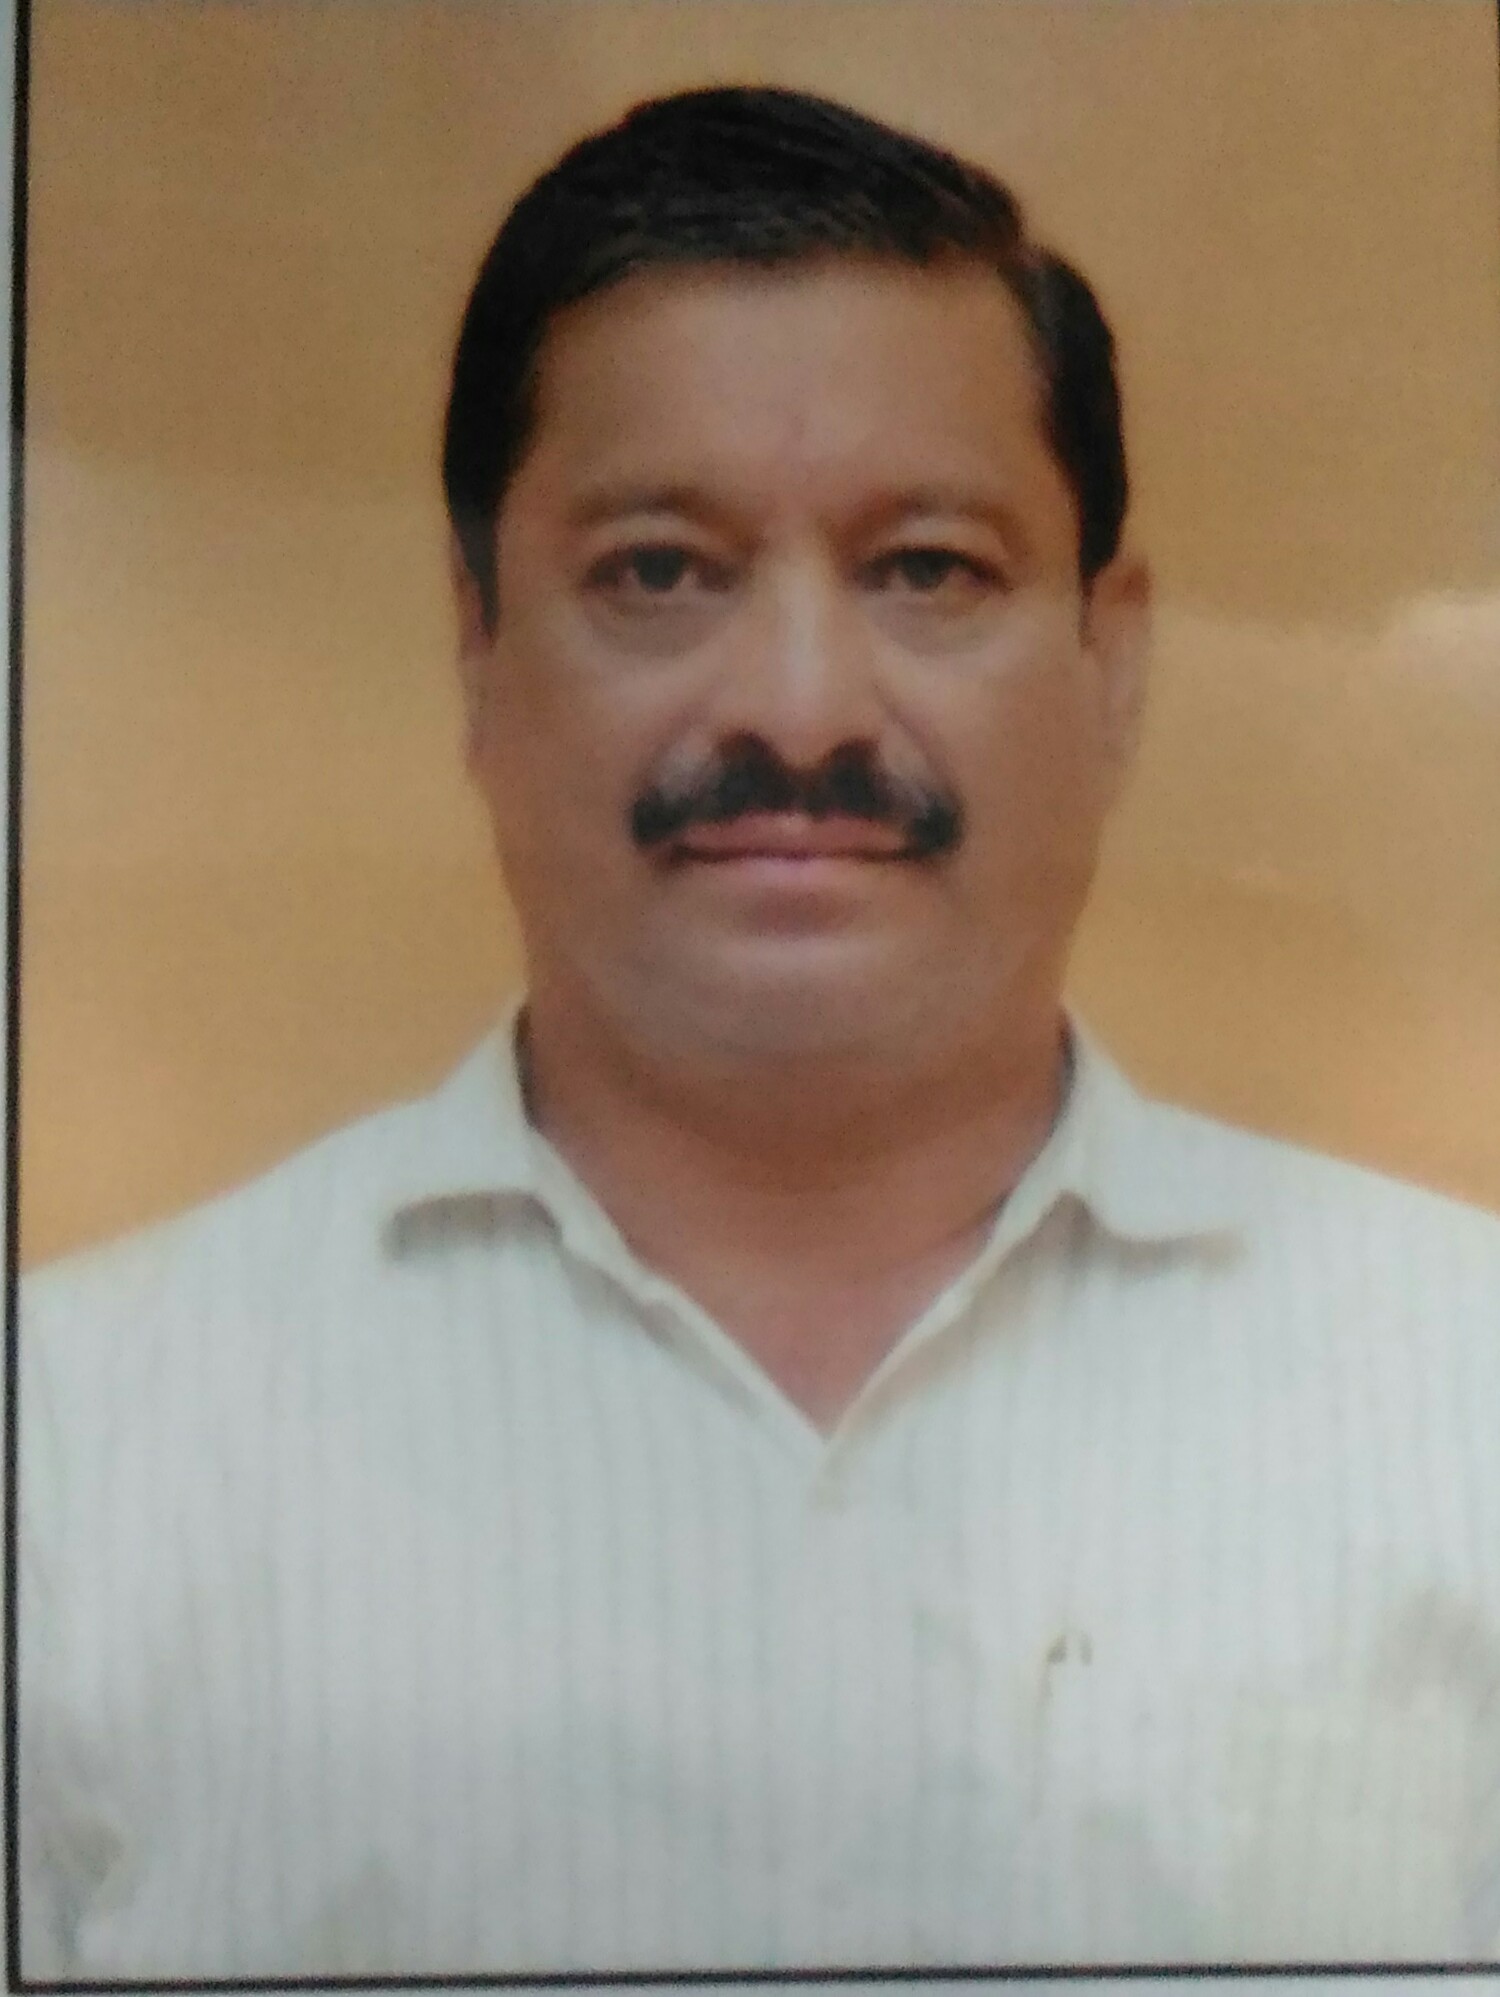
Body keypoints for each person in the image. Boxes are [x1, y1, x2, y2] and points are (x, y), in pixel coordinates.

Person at [17, 85, 1500, 1980]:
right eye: (660, 570)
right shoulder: (67, 1455)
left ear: (1111, 659)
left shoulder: (1459, 1399)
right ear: (477, 645)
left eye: (928, 568)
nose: (801, 710)